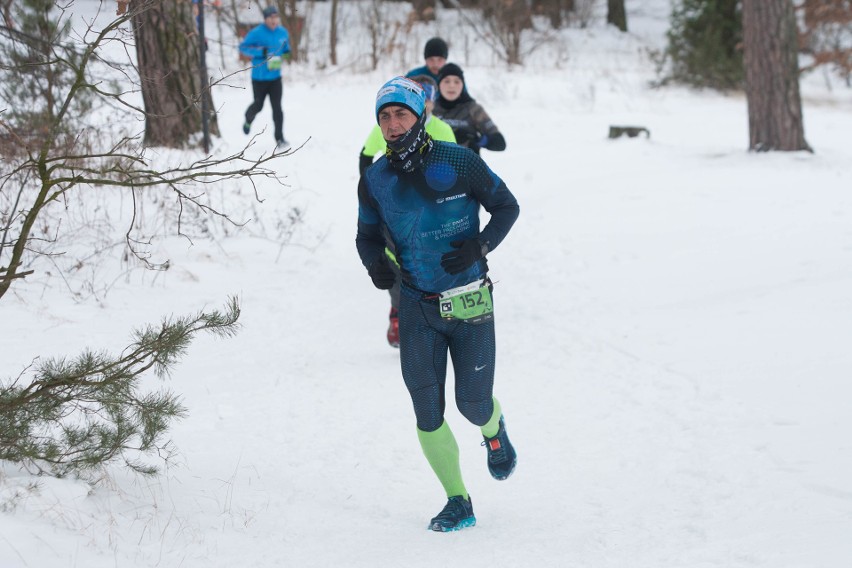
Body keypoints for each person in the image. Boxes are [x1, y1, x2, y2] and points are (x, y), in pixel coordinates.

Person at [356, 77, 519, 532]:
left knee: (471, 402)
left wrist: (480, 246)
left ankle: (493, 430)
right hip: (416, 305)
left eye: (400, 113)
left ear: (420, 115)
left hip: (469, 303)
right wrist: (375, 266)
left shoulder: (458, 161)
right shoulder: (375, 180)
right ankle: (458, 500)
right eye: (384, 116)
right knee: (427, 410)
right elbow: (366, 236)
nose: (392, 124)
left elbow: (507, 206)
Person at [358, 76, 457, 348]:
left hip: (432, 216)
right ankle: (398, 313)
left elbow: (454, 168)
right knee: (396, 270)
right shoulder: (388, 124)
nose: (395, 123)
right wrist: (369, 192)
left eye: (426, 99)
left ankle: (445, 321)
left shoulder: (443, 129)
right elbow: (366, 154)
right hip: (395, 214)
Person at [239, 6, 291, 148]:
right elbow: (242, 47)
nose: (274, 21)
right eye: (271, 18)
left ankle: (279, 139)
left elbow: (287, 49)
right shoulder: (256, 33)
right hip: (259, 78)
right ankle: (248, 119)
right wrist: (261, 52)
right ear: (265, 19)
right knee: (258, 106)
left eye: (276, 18)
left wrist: (287, 54)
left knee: (277, 109)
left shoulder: (283, 32)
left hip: (275, 78)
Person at [433, 63, 506, 156]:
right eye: (446, 81)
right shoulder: (430, 109)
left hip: (468, 166)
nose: (452, 85)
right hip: (436, 166)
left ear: (463, 85)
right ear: (439, 84)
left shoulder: (473, 109)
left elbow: (500, 143)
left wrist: (477, 140)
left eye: (457, 81)